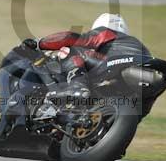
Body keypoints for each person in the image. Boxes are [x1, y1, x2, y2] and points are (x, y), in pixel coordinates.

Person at [21, 13, 150, 108]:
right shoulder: (138, 44)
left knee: (73, 48)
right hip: (143, 76)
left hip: (116, 65)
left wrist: (39, 44)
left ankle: (77, 86)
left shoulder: (107, 32)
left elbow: (70, 37)